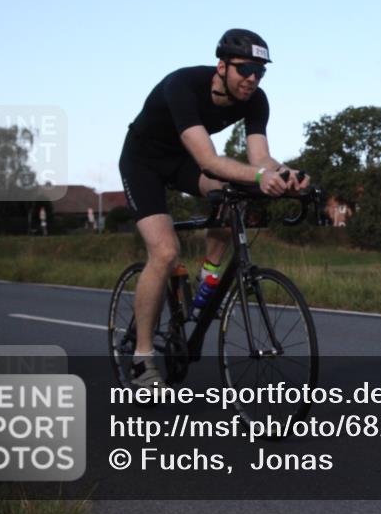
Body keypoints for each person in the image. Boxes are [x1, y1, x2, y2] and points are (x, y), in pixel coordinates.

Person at [118, 29, 309, 387]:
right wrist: (257, 176)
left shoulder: (256, 100)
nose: (252, 79)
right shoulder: (183, 86)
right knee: (164, 250)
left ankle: (208, 276)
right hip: (143, 161)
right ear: (221, 66)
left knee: (228, 193)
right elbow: (208, 158)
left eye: (260, 72)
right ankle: (142, 358)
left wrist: (291, 176)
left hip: (181, 162)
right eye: (244, 70)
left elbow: (261, 159)